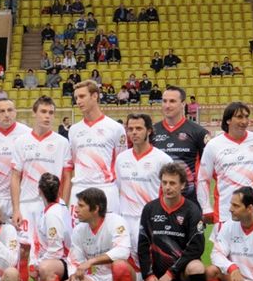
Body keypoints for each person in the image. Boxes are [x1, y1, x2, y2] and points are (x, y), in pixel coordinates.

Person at [10, 96, 73, 281]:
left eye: (51, 112)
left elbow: (66, 175)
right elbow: (15, 176)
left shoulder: (61, 142)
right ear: (34, 113)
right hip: (28, 206)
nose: (47, 116)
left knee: (50, 253)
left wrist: (62, 205)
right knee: (24, 252)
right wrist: (16, 208)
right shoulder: (20, 142)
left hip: (51, 207)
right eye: (43, 111)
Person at [51, 187, 136, 281]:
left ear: (96, 208)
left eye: (81, 206)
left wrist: (91, 261)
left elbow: (123, 251)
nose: (76, 209)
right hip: (97, 280)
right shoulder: (79, 230)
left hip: (125, 280)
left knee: (119, 266)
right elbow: (74, 259)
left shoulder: (116, 221)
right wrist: (74, 276)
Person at [138, 162, 206, 281]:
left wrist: (171, 273)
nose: (167, 187)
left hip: (181, 270)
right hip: (159, 274)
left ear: (183, 185)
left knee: (197, 267)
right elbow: (143, 245)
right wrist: (149, 276)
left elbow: (196, 247)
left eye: (173, 183)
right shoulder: (150, 209)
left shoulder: (192, 210)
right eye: (164, 182)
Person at [197, 102, 253, 224]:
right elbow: (203, 179)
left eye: (247, 116)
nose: (245, 121)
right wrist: (206, 207)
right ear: (228, 120)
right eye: (240, 117)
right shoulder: (214, 145)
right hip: (227, 212)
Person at [115, 113, 173, 262]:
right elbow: (118, 188)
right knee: (123, 268)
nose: (134, 132)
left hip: (150, 221)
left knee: (151, 266)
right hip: (125, 221)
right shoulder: (121, 158)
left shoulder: (163, 160)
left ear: (149, 131)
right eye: (130, 129)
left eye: (139, 128)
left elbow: (170, 194)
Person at [68, 80, 126, 218]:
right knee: (77, 236)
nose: (78, 101)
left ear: (95, 96)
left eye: (82, 96)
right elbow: (74, 161)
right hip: (79, 189)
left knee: (107, 236)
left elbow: (121, 162)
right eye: (76, 98)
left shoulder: (115, 128)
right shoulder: (74, 130)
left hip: (105, 189)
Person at [151, 86, 210, 203]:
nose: (167, 105)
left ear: (183, 104)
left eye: (172, 101)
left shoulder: (199, 132)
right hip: (159, 202)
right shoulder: (151, 132)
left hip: (190, 201)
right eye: (164, 101)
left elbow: (207, 169)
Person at [31, 173, 72, 281]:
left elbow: (56, 250)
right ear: (59, 189)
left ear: (39, 190)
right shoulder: (54, 208)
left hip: (64, 263)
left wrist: (37, 266)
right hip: (61, 261)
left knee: (45, 268)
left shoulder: (53, 214)